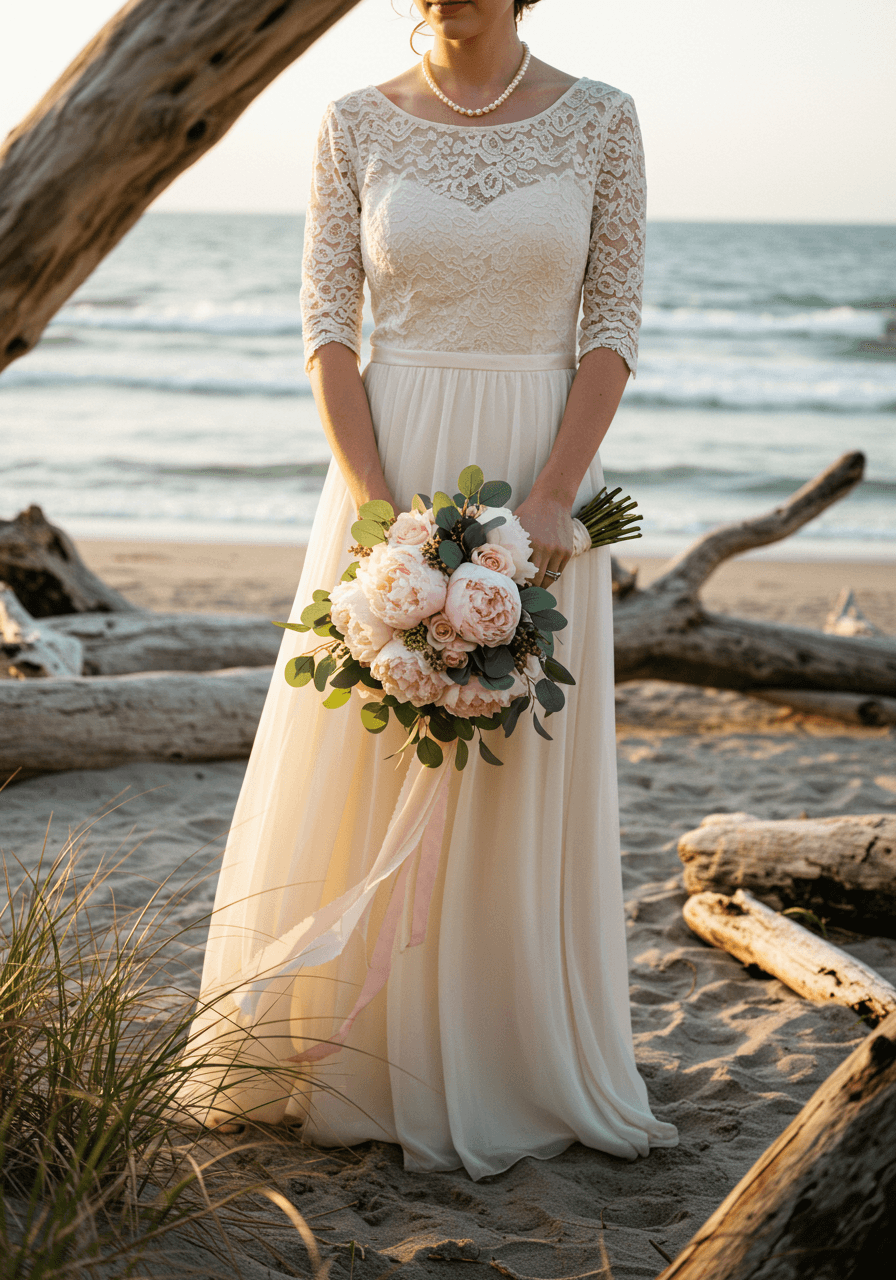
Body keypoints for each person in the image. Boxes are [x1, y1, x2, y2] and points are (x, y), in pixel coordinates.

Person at [182, 0, 677, 1181]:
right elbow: (326, 324)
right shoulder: (352, 120)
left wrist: (554, 496)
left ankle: (507, 1048)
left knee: (520, 762)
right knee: (365, 748)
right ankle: (362, 1053)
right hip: (387, 468)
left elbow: (609, 321)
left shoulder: (603, 120)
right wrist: (372, 508)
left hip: (538, 470)